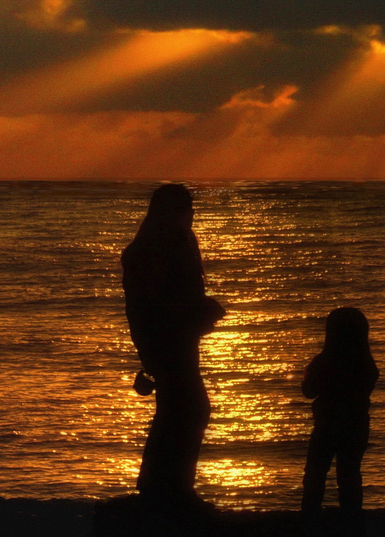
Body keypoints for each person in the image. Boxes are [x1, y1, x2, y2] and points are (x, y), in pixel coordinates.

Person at [121, 183, 225, 518]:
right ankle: (170, 489)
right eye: (185, 209)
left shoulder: (168, 244)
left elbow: (171, 299)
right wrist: (196, 313)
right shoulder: (155, 249)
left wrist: (200, 311)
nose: (190, 215)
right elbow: (154, 304)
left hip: (172, 340)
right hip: (166, 341)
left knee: (180, 411)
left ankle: (165, 487)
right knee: (187, 409)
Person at [300, 307, 379, 522]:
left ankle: (310, 518)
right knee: (350, 474)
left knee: (316, 473)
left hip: (327, 424)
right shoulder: (366, 364)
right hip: (357, 423)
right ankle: (351, 518)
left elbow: (309, 391)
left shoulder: (324, 361)